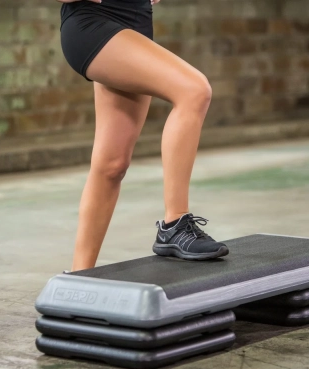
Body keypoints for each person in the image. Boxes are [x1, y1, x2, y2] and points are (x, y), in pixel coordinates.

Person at [57, 0, 229, 272]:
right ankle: (175, 224)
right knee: (194, 90)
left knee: (112, 165)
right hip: (93, 24)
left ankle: (79, 277)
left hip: (135, 23)